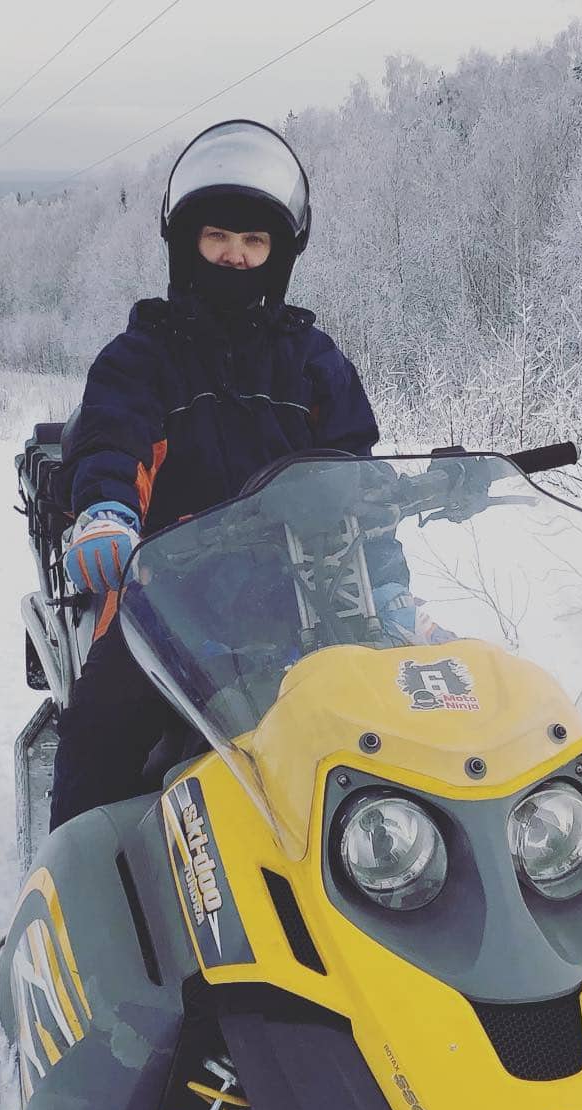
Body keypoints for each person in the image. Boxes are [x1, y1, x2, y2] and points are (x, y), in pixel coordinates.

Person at [48, 118, 409, 829]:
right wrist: (106, 512)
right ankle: (66, 889)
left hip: (309, 595)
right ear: (188, 245)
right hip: (169, 601)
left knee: (399, 717)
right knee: (102, 725)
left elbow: (357, 480)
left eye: (254, 241)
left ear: (279, 253)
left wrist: (390, 579)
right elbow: (112, 441)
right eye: (219, 238)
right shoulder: (142, 354)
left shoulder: (313, 361)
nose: (236, 257)